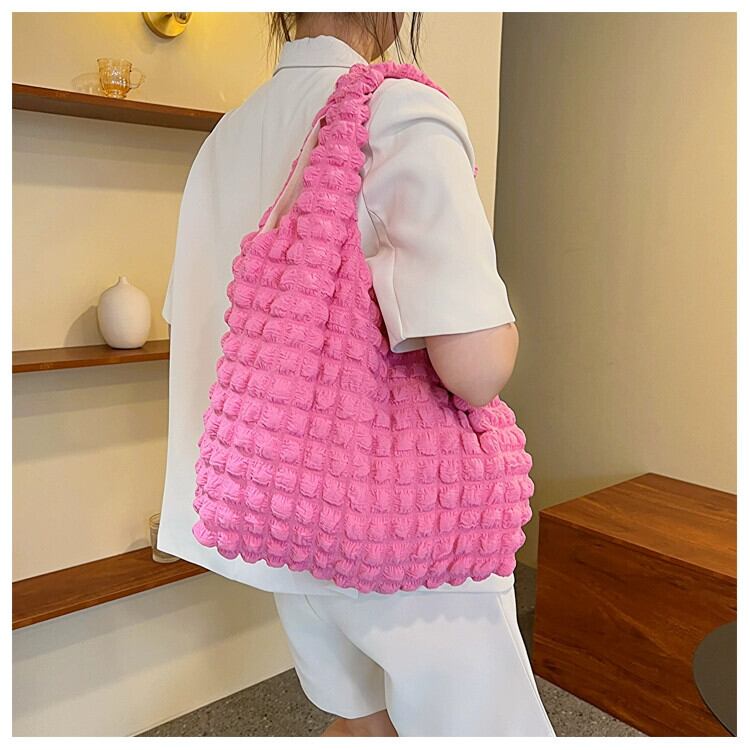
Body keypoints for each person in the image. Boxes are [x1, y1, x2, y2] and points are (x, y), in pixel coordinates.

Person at [158, 11, 555, 738]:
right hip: (403, 538)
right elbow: (476, 369)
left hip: (276, 518)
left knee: (361, 725)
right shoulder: (399, 112)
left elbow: (200, 320)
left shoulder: (226, 136)